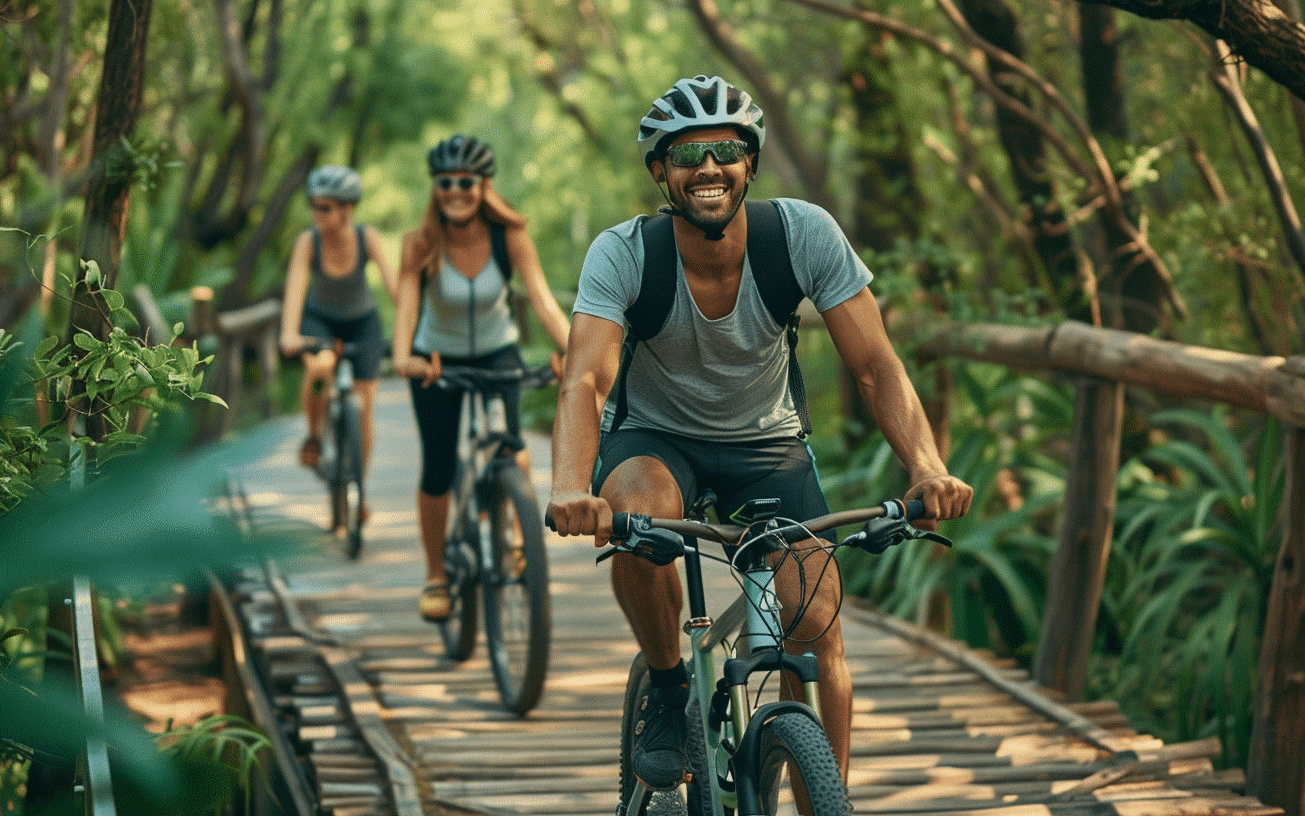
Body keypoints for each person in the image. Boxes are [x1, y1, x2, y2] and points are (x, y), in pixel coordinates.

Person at [545, 75, 973, 790]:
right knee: (639, 519)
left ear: (750, 163)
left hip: (767, 445)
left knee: (817, 623)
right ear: (660, 172)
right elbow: (585, 379)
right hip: (657, 439)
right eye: (688, 155)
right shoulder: (624, 254)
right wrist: (568, 486)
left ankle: (826, 801)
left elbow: (874, 364)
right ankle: (668, 685)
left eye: (725, 150)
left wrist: (927, 465)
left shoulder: (801, 234)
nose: (708, 168)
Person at [393, 134, 570, 623]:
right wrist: (403, 356)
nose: (455, 191)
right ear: (435, 187)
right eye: (445, 182)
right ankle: (435, 574)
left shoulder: (508, 236)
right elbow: (406, 310)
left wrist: (576, 352)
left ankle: (516, 535)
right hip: (435, 359)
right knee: (438, 468)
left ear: (483, 186)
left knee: (511, 445)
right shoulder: (420, 243)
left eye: (466, 182)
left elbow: (544, 304)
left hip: (497, 353)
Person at [280, 165, 398, 525]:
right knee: (320, 367)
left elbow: (396, 289)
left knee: (363, 406)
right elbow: (295, 290)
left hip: (363, 322)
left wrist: (413, 334)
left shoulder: (367, 237)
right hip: (320, 320)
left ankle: (357, 491)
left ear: (348, 209)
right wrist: (288, 334)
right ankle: (315, 436)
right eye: (314, 206)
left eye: (326, 208)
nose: (317, 214)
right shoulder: (308, 242)